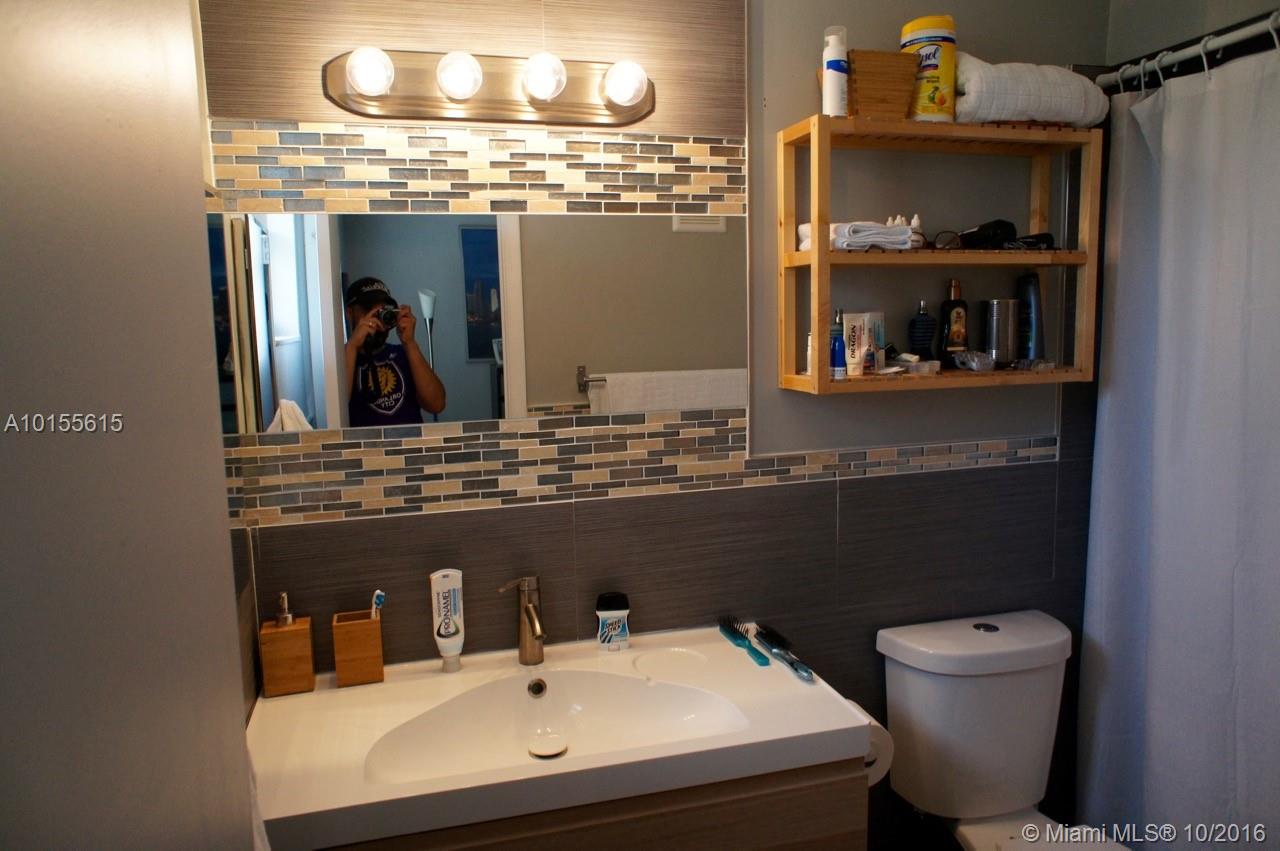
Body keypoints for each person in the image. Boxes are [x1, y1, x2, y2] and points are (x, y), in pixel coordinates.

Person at [343, 277, 446, 426]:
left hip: (411, 441)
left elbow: (436, 404)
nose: (375, 320)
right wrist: (352, 346)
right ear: (349, 313)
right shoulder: (342, 360)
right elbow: (335, 411)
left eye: (381, 312)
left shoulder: (404, 354)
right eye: (368, 310)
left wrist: (409, 343)